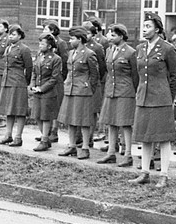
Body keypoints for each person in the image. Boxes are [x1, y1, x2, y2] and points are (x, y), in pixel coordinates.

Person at [131, 13, 176, 187]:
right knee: (145, 137)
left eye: (148, 26)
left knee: (163, 138)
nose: (145, 30)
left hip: (161, 100)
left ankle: (164, 175)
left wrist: (168, 97)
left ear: (158, 30)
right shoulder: (140, 48)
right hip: (144, 98)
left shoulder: (167, 49)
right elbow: (137, 75)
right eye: (143, 26)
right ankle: (144, 172)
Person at [96, 23, 139, 167]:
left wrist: (135, 92)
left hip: (125, 91)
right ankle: (111, 153)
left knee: (125, 123)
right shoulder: (108, 50)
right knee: (111, 121)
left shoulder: (130, 52)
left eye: (113, 35)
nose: (110, 37)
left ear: (121, 36)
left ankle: (128, 155)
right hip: (111, 90)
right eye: (109, 34)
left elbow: (135, 75)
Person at [57, 27, 100, 160]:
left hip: (82, 91)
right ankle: (72, 146)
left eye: (72, 38)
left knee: (83, 120)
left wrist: (88, 89)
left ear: (80, 39)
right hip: (70, 89)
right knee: (70, 119)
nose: (70, 41)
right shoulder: (71, 53)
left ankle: (85, 147)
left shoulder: (89, 54)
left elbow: (95, 75)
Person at [0, 25, 33, 146]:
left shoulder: (24, 49)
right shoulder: (8, 48)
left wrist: (25, 82)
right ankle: (8, 135)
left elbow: (29, 67)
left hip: (18, 83)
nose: (11, 36)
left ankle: (18, 137)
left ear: (20, 36)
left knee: (20, 111)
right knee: (8, 110)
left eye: (14, 34)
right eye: (10, 34)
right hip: (7, 81)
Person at [29, 33, 63, 151]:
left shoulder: (56, 59)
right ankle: (46, 138)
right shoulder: (39, 55)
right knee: (37, 116)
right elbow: (34, 72)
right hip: (37, 90)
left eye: (42, 44)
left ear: (49, 46)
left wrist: (42, 88)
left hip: (48, 92)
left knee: (45, 117)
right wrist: (32, 85)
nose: (40, 45)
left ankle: (44, 140)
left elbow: (54, 78)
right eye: (39, 43)